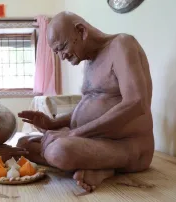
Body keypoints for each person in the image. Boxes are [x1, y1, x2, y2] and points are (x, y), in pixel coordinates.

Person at [17, 11, 153, 192]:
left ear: (81, 31)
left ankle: (111, 164)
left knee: (58, 151)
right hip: (96, 141)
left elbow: (136, 102)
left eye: (62, 47)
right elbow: (93, 106)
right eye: (56, 52)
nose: (62, 57)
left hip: (127, 144)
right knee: (24, 145)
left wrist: (74, 134)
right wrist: (54, 123)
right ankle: (101, 166)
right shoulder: (89, 60)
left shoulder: (121, 44)